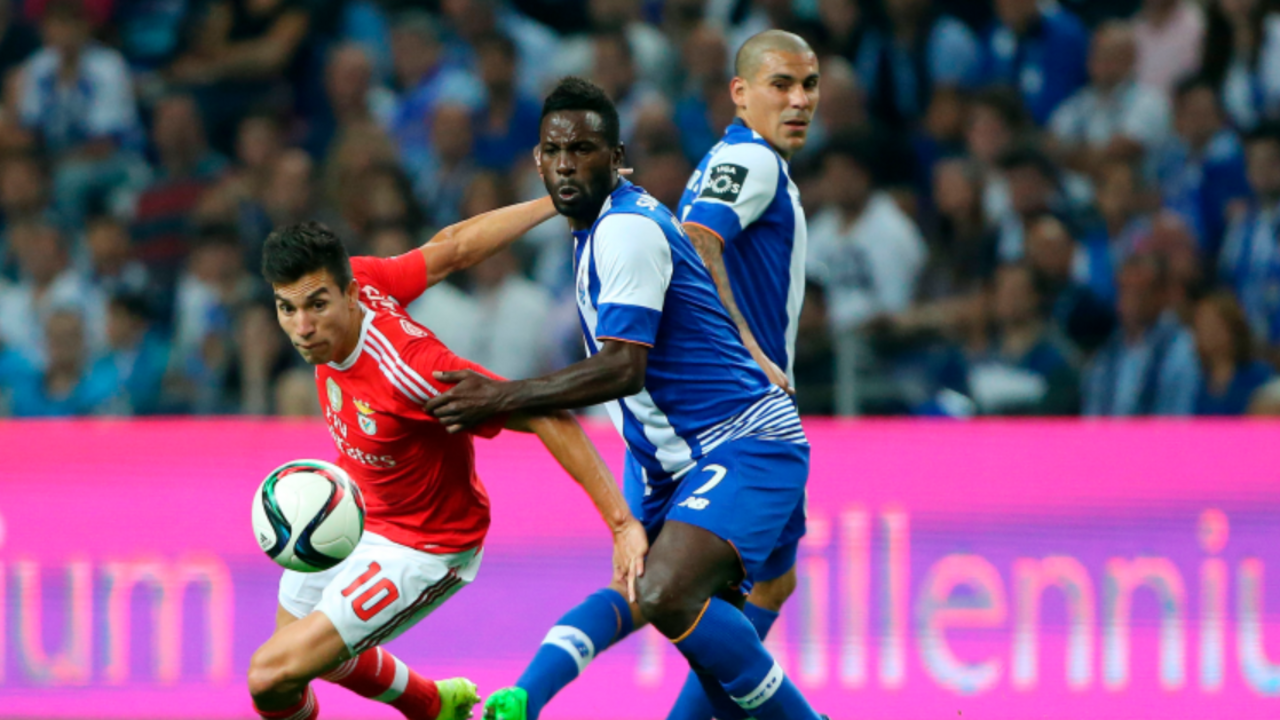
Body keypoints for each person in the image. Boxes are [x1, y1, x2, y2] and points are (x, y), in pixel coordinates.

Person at [426, 76, 824, 720]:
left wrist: (497, 398)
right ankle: (526, 697)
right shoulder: (594, 230)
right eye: (554, 152)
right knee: (654, 594)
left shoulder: (626, 232)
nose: (565, 164)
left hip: (744, 440)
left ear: (615, 158)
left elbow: (622, 368)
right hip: (676, 459)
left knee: (667, 592)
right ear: (536, 159)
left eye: (583, 150)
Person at [247, 207, 648, 720]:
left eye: (317, 306)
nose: (302, 327)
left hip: (425, 545)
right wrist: (552, 201)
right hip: (356, 513)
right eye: (287, 309)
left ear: (348, 295)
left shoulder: (414, 369)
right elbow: (452, 247)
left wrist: (621, 523)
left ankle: (429, 705)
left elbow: (548, 414)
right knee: (293, 667)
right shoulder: (363, 277)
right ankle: (435, 706)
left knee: (270, 673)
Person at [668, 29, 819, 717]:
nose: (799, 101)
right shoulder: (750, 160)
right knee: (704, 599)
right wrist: (750, 353)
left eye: (809, 85)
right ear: (740, 93)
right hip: (740, 416)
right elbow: (698, 240)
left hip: (748, 411)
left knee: (772, 585)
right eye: (780, 85)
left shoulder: (737, 160)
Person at [1082, 253, 1201, 416]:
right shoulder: (1108, 353)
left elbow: (1176, 420)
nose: (1129, 301)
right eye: (1124, 290)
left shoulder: (1181, 350)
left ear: (1162, 295)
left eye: (1139, 291)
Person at [1218, 122, 1280, 354]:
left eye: (1271, 161)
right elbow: (1228, 286)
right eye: (1254, 162)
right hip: (1250, 352)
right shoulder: (1240, 226)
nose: (1262, 169)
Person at [1192, 290, 1273, 414]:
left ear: (1231, 328)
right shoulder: (1198, 381)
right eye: (1200, 325)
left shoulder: (1259, 376)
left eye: (1212, 325)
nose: (1204, 332)